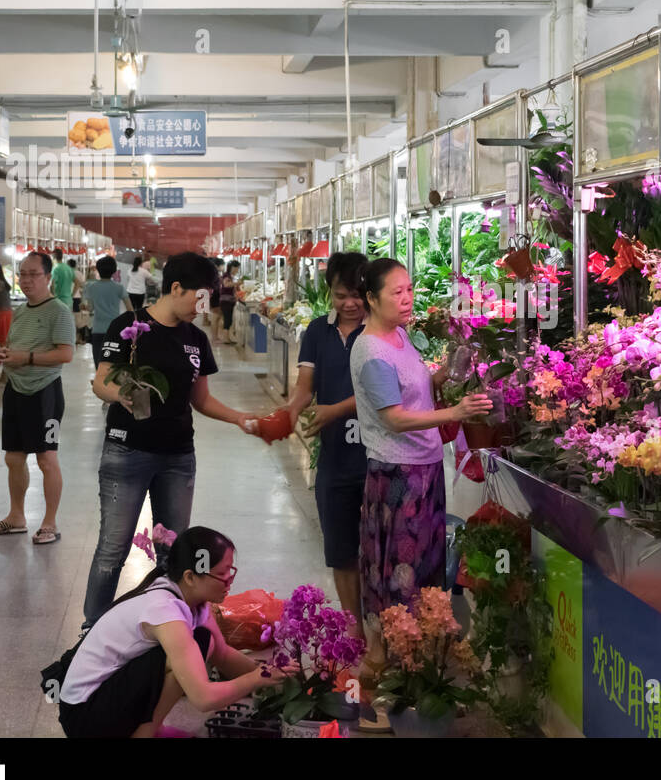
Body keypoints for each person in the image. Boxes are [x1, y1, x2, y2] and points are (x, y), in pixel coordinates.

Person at [83, 252, 262, 629]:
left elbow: (201, 400)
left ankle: (169, 629)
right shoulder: (128, 326)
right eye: (200, 298)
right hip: (126, 452)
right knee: (113, 549)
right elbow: (101, 382)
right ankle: (92, 630)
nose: (204, 308)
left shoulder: (196, 339)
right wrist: (121, 395)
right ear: (175, 287)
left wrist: (240, 418)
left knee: (173, 553)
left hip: (178, 459)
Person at [349, 259, 490, 656]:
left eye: (409, 289)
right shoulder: (372, 350)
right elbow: (393, 418)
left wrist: (446, 372)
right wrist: (455, 413)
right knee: (400, 573)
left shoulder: (398, 337)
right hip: (398, 476)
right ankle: (394, 662)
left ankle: (421, 658)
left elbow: (413, 388)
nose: (408, 298)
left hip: (424, 468)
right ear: (372, 300)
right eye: (397, 292)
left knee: (425, 567)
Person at [59, 527, 284, 738]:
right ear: (190, 577)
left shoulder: (192, 598)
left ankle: (148, 728)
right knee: (190, 654)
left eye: (231, 571)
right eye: (223, 574)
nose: (229, 582)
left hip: (104, 695)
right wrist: (255, 680)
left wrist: (279, 678)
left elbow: (223, 654)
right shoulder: (165, 611)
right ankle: (146, 733)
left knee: (203, 642)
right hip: (85, 715)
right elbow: (202, 698)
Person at [285, 252, 369, 637]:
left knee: (380, 549)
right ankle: (354, 629)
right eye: (339, 295)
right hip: (335, 458)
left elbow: (383, 392)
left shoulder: (383, 331)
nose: (349, 304)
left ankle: (384, 626)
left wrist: (334, 409)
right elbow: (305, 388)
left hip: (377, 456)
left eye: (356, 294)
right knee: (340, 548)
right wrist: (286, 414)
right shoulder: (317, 332)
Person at [0, 252, 75, 544]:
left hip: (44, 391)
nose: (25, 280)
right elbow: (13, 345)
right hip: (15, 388)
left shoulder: (59, 311)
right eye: (22, 274)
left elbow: (66, 354)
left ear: (48, 277)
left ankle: (50, 522)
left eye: (32, 274)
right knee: (13, 457)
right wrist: (4, 353)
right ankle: (16, 516)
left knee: (46, 458)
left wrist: (28, 358)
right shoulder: (21, 311)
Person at [85, 255, 129, 367]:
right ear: (114, 270)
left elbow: (90, 308)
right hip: (115, 330)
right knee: (113, 364)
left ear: (98, 269)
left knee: (99, 363)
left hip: (98, 329)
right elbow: (130, 310)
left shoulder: (91, 287)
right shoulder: (119, 288)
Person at [217, 260, 240, 345]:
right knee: (227, 319)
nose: (237, 270)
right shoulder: (226, 276)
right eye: (237, 268)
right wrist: (237, 283)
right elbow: (226, 285)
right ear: (233, 267)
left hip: (229, 300)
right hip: (226, 300)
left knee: (229, 319)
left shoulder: (230, 275)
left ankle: (227, 337)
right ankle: (225, 338)